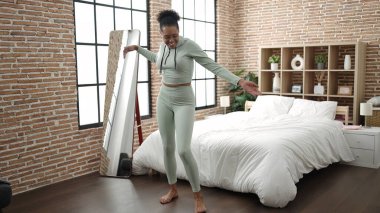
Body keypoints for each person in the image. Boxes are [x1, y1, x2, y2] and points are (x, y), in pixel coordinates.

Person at [124, 9, 260, 213]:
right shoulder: (163, 46)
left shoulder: (189, 46)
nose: (170, 40)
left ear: (179, 31)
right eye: (166, 37)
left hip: (184, 101)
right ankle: (172, 190)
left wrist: (238, 81)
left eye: (174, 36)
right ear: (162, 34)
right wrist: (138, 49)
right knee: (167, 147)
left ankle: (198, 196)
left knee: (183, 149)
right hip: (164, 99)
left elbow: (211, 65)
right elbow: (158, 59)